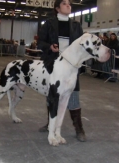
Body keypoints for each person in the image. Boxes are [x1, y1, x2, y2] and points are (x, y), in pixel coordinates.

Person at [37, 0, 86, 142]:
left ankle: (79, 128)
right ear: (57, 8)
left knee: (74, 95)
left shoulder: (76, 26)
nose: (68, 5)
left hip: (71, 67)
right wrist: (49, 47)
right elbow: (41, 42)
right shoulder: (49, 24)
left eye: (69, 3)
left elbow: (82, 46)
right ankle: (50, 124)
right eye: (64, 3)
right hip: (53, 64)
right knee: (51, 96)